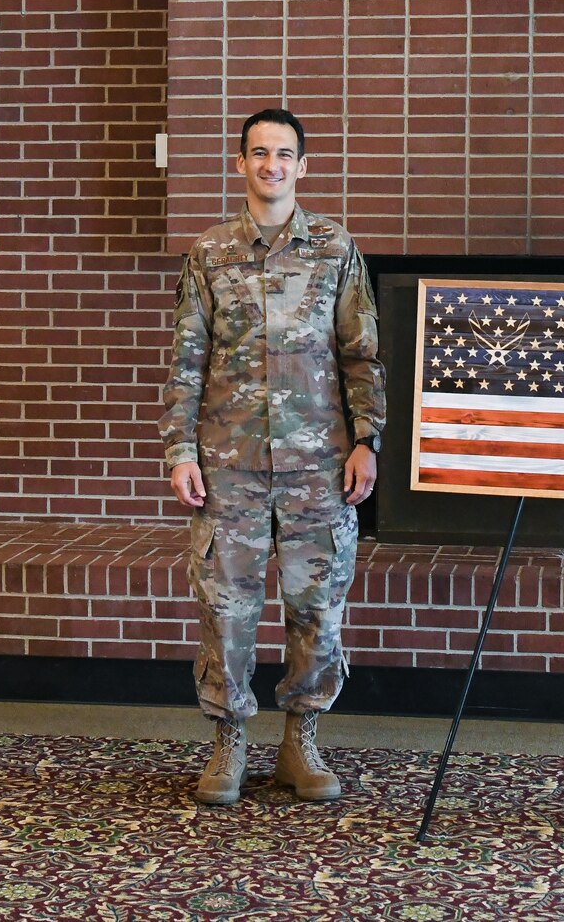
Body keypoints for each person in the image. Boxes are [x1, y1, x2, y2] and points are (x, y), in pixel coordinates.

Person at [161, 108, 385, 806]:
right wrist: (180, 450)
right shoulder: (210, 254)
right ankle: (228, 744)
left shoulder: (335, 248)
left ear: (302, 165)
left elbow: (361, 354)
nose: (272, 165)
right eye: (259, 153)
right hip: (230, 464)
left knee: (316, 608)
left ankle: (300, 742)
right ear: (240, 163)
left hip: (319, 464)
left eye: (284, 154)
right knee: (226, 611)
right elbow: (185, 362)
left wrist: (367, 440)